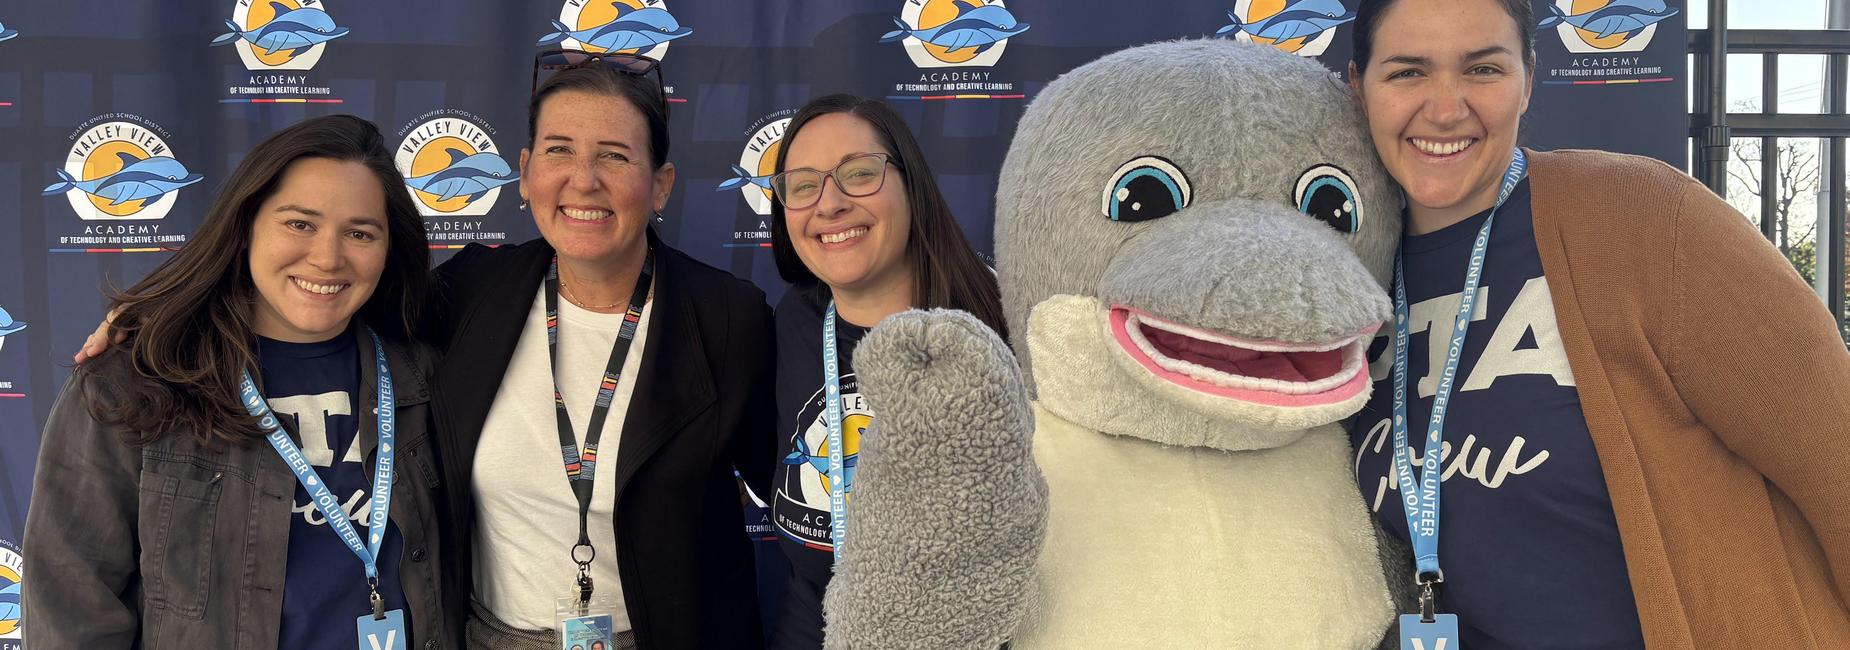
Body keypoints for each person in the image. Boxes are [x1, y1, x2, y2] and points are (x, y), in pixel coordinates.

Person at [1345, 0, 1850, 647]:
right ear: (1359, 88)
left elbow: (1833, 453)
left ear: (1528, 76)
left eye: (1483, 69)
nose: (1445, 108)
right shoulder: (1350, 284)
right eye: (1408, 73)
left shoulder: (1643, 220)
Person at [23, 115, 449, 648]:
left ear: (389, 248)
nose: (327, 257)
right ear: (245, 224)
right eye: (299, 224)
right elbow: (71, 604)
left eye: (360, 233)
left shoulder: (427, 376)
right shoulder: (133, 383)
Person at [426, 50, 774, 649]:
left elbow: (795, 495)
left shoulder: (726, 318)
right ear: (525, 171)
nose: (583, 179)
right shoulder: (469, 292)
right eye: (559, 150)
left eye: (614, 156)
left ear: (660, 184)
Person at [762, 94, 1008, 648]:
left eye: (859, 174)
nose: (829, 204)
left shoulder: (1003, 325)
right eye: (803, 185)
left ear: (910, 183)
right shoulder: (790, 325)